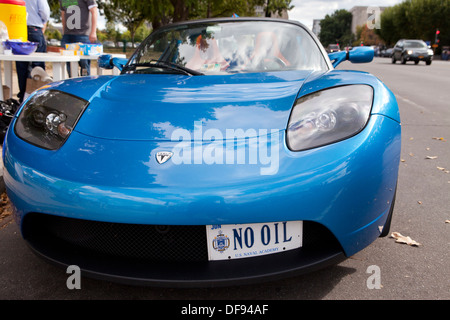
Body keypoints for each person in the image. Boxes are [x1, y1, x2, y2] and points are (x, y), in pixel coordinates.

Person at [16, 0, 50, 103]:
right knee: (37, 66)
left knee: (21, 66)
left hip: (19, 30)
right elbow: (45, 13)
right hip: (34, 29)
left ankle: (23, 98)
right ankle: (37, 99)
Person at [59, 0, 98, 76]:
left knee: (84, 64)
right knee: (69, 65)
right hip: (67, 35)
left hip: (82, 34)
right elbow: (63, 14)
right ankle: (73, 84)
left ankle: (86, 85)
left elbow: (94, 11)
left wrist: (93, 32)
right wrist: (64, 32)